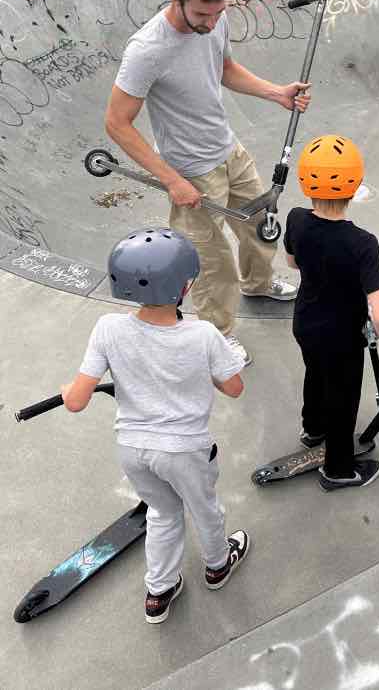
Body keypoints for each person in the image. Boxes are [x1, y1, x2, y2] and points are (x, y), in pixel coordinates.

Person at [106, 0, 312, 367]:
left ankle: (258, 283)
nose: (212, 22)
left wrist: (276, 92)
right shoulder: (147, 49)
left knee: (261, 225)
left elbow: (225, 68)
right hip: (190, 173)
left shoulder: (214, 20)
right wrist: (170, 179)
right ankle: (217, 336)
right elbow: (116, 123)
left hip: (229, 151)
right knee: (211, 262)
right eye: (203, 14)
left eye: (219, 12)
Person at [60, 228, 249, 624]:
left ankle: (159, 592)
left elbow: (76, 400)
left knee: (161, 513)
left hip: (133, 448)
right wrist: (207, 370)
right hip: (185, 449)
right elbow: (234, 387)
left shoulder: (108, 328)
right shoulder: (202, 334)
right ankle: (217, 565)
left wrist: (67, 392)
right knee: (204, 509)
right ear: (184, 285)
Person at [283, 135, 379, 491]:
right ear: (355, 185)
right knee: (343, 398)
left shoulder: (296, 219)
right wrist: (374, 332)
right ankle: (339, 469)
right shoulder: (363, 243)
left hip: (306, 324)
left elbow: (292, 262)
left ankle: (312, 428)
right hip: (343, 336)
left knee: (315, 374)